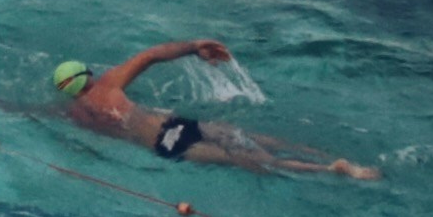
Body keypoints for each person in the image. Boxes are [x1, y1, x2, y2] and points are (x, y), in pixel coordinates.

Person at [49, 42, 376, 180]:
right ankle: (324, 155)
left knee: (249, 160)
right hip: (176, 124)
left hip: (165, 145)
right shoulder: (108, 84)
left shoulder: (75, 115)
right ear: (87, 74)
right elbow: (152, 55)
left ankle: (332, 170)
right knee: (246, 136)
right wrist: (194, 46)